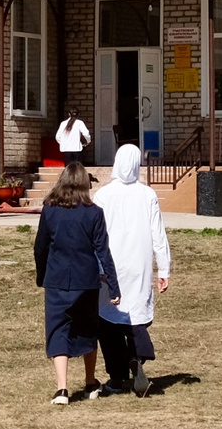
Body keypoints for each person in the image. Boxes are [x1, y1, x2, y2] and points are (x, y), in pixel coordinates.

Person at [33, 160, 118, 405]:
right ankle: (90, 381)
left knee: (58, 329)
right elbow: (103, 251)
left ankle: (62, 389)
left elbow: (40, 247)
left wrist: (42, 276)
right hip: (87, 280)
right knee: (88, 329)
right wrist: (114, 286)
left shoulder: (50, 210)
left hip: (57, 279)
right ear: (84, 185)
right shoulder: (94, 213)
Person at [92, 143, 172, 398]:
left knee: (109, 321)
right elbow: (158, 235)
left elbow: (96, 234)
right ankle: (136, 357)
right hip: (139, 265)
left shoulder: (103, 195)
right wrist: (164, 269)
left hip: (110, 266)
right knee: (136, 317)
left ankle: (116, 377)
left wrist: (95, 265)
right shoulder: (147, 194)